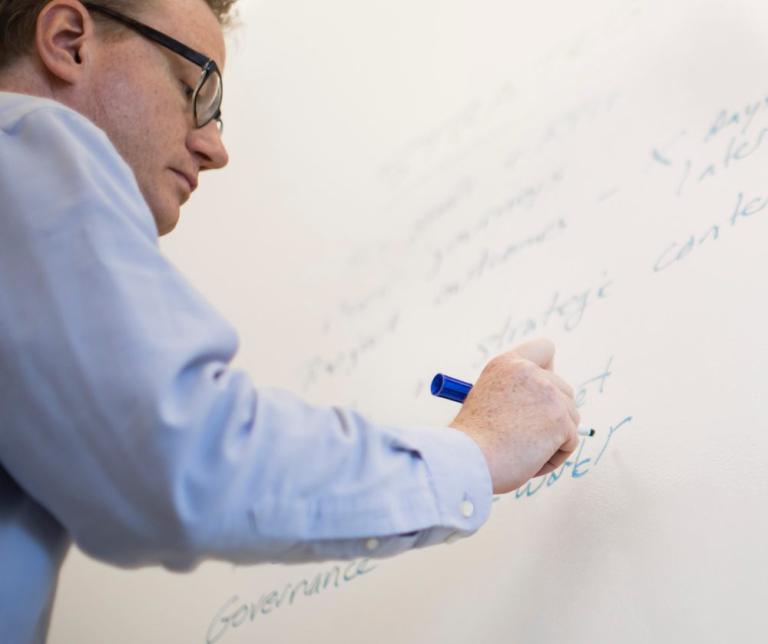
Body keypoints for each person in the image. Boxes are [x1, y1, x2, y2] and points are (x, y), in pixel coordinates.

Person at [0, 0, 581, 641]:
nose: (215, 147)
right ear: (68, 40)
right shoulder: (22, 141)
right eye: (198, 90)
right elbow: (182, 458)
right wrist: (479, 450)